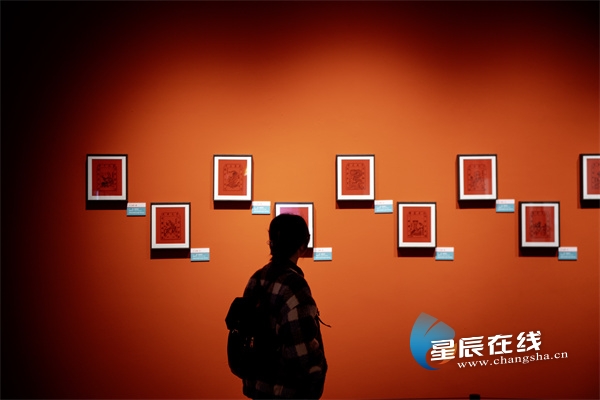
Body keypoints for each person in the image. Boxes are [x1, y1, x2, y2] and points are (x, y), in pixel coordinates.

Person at [242, 213, 328, 399]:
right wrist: (317, 374)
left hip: (257, 387)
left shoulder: (256, 278)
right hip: (286, 390)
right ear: (302, 245)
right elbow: (301, 350)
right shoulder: (294, 285)